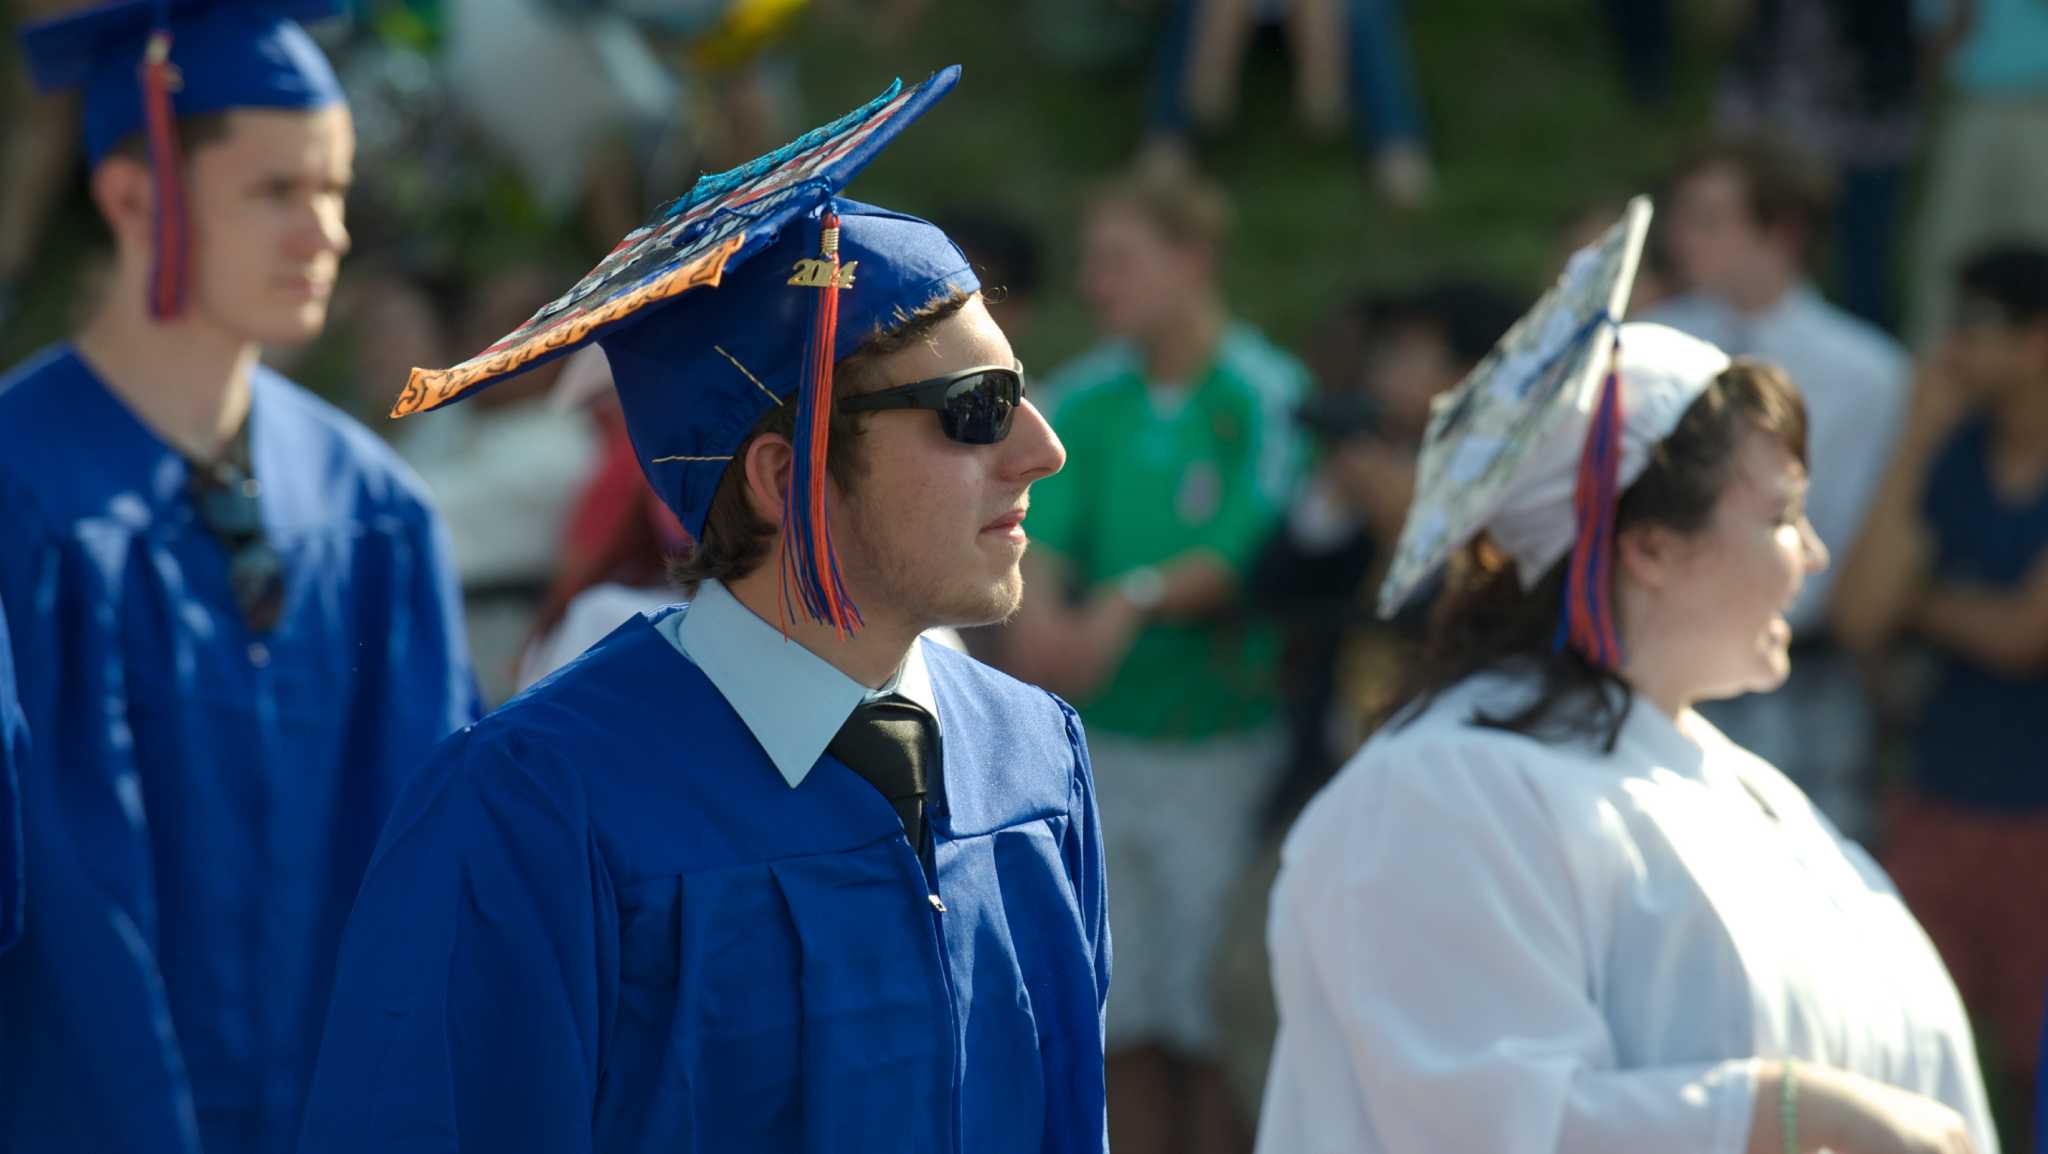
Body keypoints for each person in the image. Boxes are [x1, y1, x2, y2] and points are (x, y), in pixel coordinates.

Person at [295, 67, 1110, 1154]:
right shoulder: (537, 807)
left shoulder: (1033, 762)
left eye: (1022, 388)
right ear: (783, 476)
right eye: (976, 411)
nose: (1041, 450)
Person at [1255, 200, 1997, 1154]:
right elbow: (1477, 1124)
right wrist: (1786, 1106)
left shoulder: (1749, 793)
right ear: (1648, 546)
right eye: (1780, 514)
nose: (1812, 556)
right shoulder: (1442, 789)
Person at [0, 4, 478, 1151]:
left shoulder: (370, 510)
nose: (326, 234)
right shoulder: (20, 492)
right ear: (133, 197)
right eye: (278, 192)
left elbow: (431, 865)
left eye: (335, 190)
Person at [1000, 157, 1305, 1154]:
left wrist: (1125, 605)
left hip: (1218, 746)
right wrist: (1036, 615)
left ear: (1192, 257)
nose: (1094, 284)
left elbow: (1242, 547)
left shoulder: (1262, 392)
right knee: (1116, 1014)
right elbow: (1039, 529)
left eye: (1116, 260)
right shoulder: (1087, 395)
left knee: (1208, 1020)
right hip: (1099, 747)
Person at [1832, 242, 2048, 1144]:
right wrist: (1915, 438)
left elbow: (2020, 636)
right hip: (1938, 799)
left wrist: (1925, 605)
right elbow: (1859, 612)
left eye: (1980, 327)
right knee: (1903, 1058)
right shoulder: (1951, 452)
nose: (1953, 348)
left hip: (2040, 818)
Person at [1647, 135, 1909, 840]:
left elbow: (1854, 525)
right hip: (1665, 656)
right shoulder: (1650, 346)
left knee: (1808, 863)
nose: (1681, 238)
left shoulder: (1867, 371)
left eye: (1709, 219)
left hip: (1802, 663)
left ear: (1781, 232)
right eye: (1682, 218)